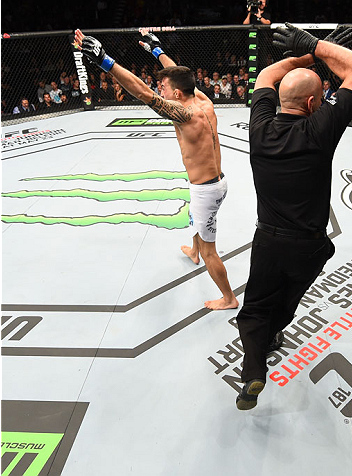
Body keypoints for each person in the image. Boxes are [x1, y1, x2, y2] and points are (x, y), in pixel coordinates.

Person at [235, 23, 352, 410]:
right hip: (310, 247)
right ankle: (275, 332)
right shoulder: (320, 129)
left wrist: (308, 54)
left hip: (269, 241)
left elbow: (266, 75)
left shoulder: (259, 129)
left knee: (255, 309)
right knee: (287, 301)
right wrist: (317, 46)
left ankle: (253, 371)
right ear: (314, 104)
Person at [73, 28, 239, 311]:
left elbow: (143, 92)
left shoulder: (186, 114)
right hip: (212, 183)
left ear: (176, 93)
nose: (160, 89)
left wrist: (105, 62)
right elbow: (175, 73)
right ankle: (194, 252)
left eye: (164, 87)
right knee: (196, 217)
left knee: (212, 249)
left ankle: (228, 297)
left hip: (206, 189)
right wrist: (157, 49)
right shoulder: (202, 100)